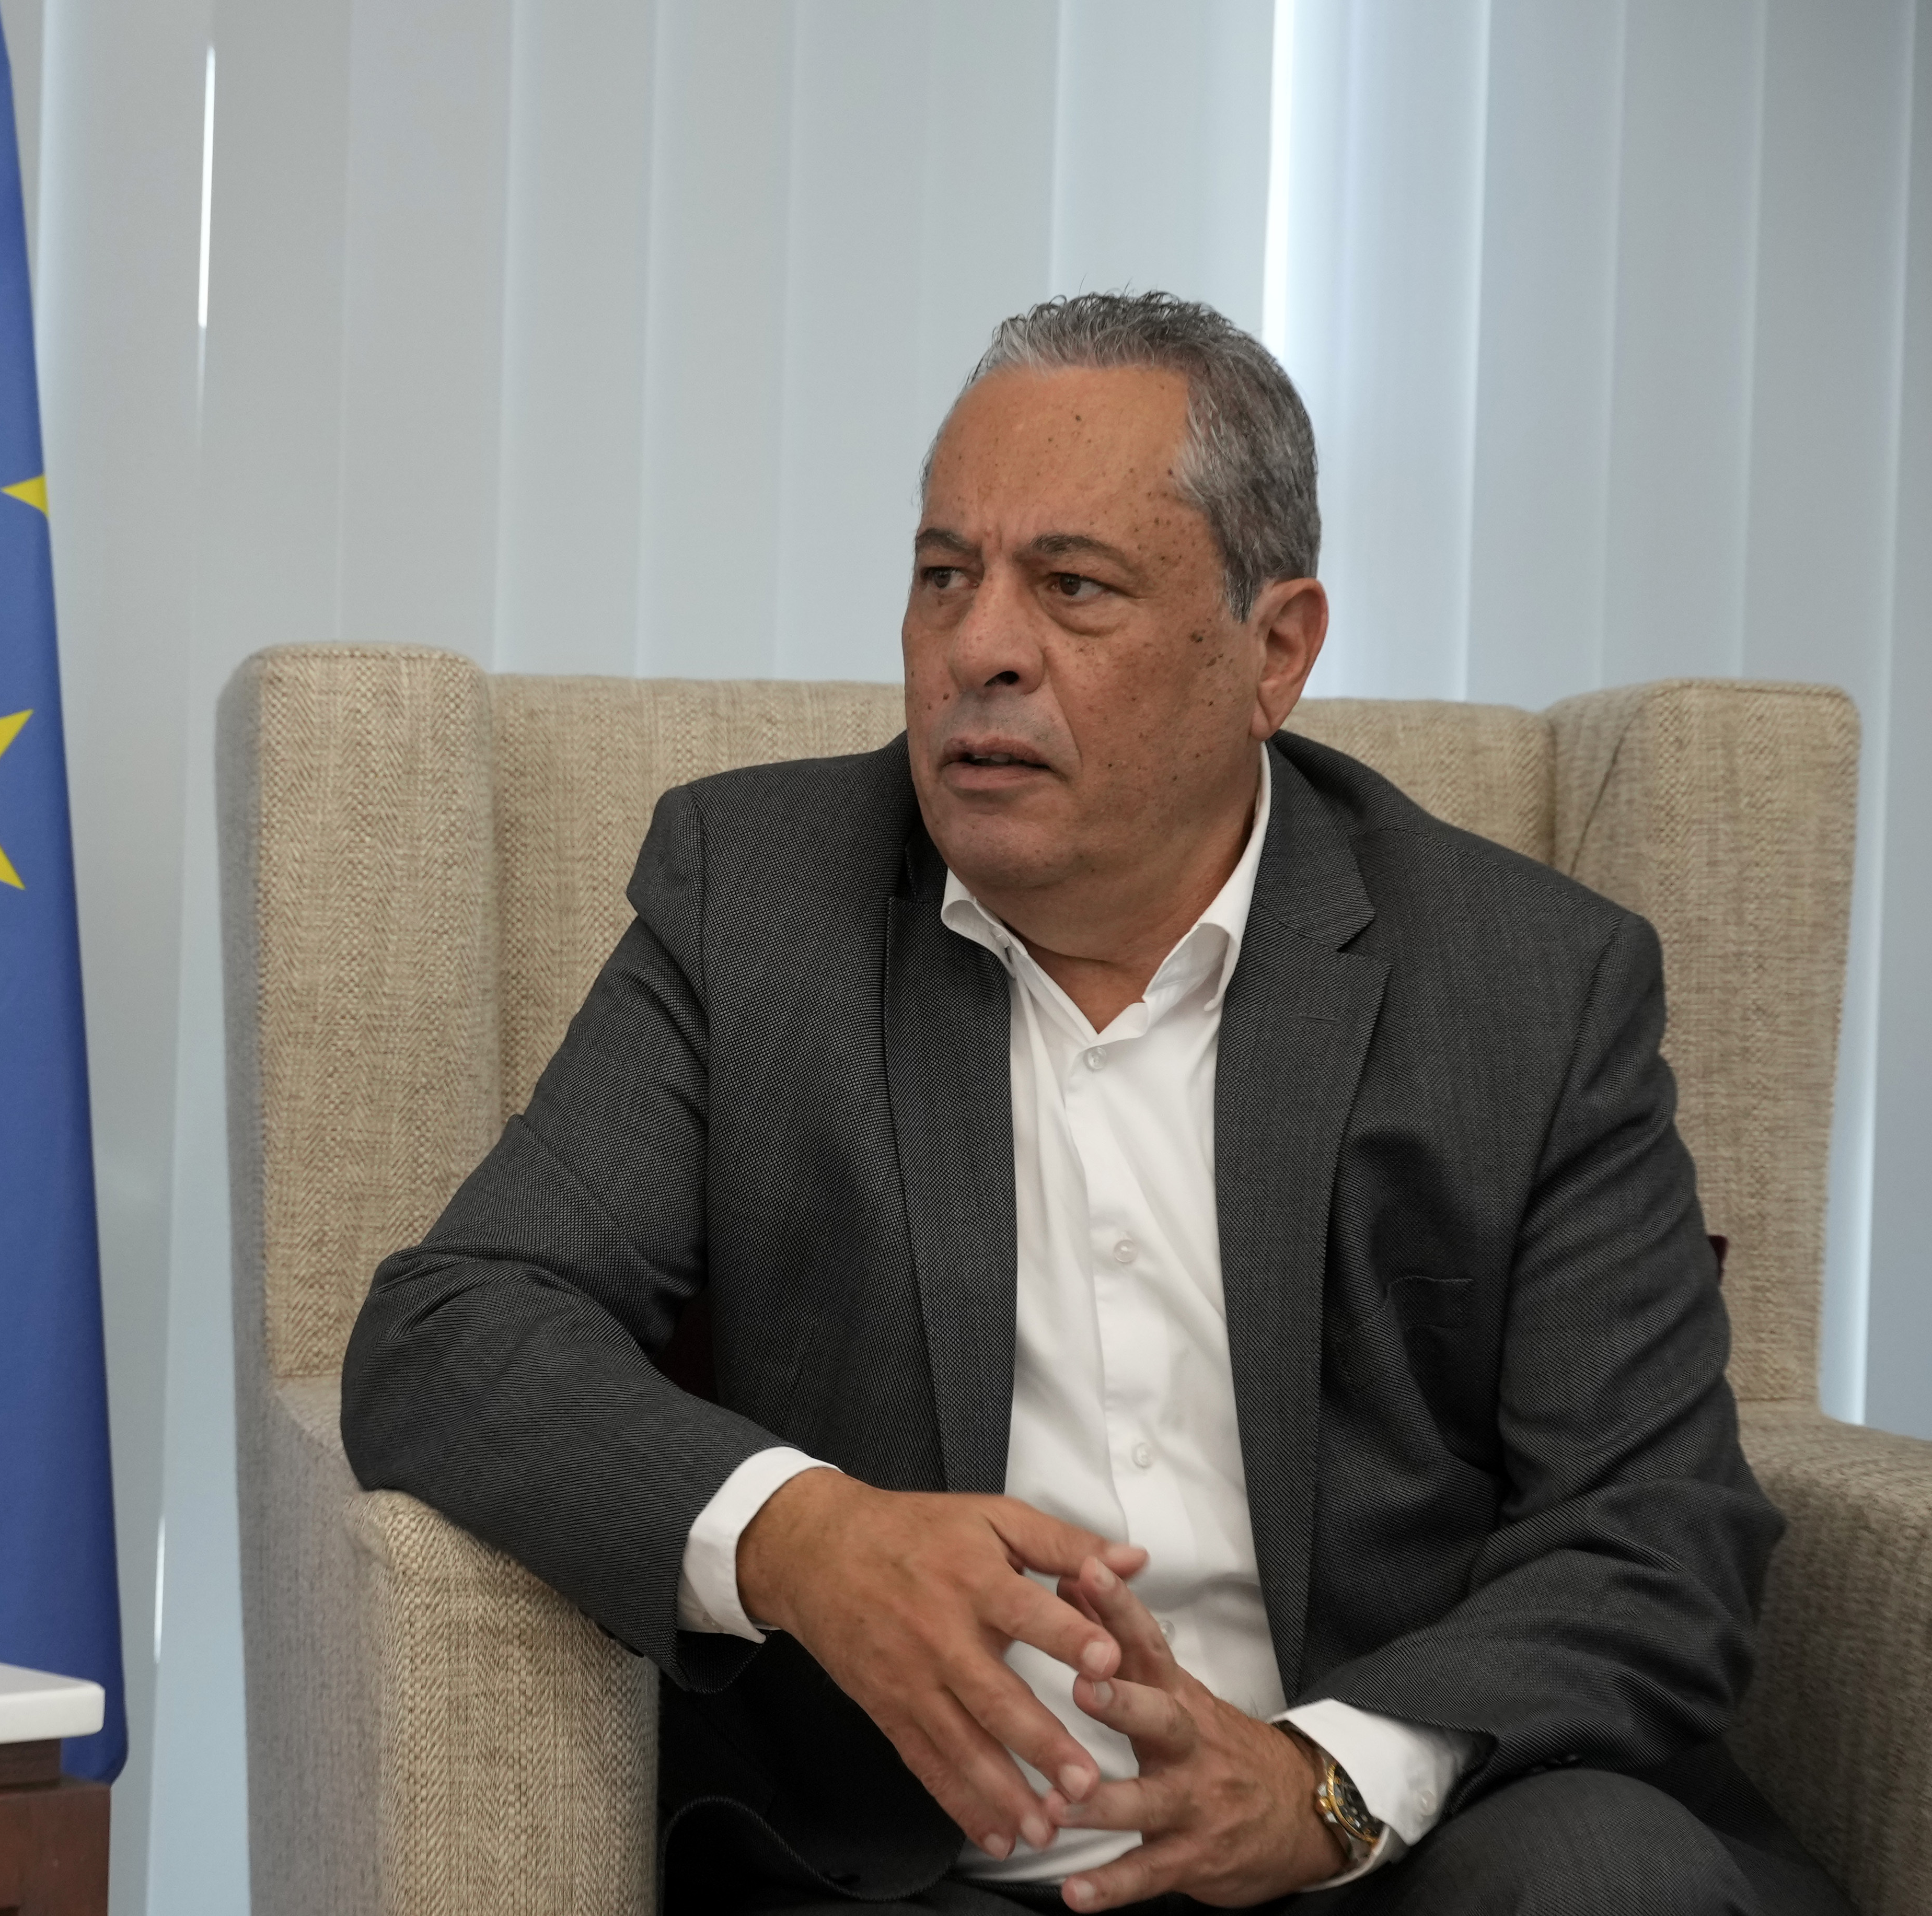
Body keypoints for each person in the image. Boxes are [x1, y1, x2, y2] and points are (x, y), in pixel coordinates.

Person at [341, 292, 1850, 1915]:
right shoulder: (754, 902)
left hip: (1402, 1845)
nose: (981, 646)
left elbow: (1653, 1533)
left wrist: (1325, 1781)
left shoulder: (1526, 984)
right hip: (925, 1865)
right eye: (943, 576)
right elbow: (455, 1325)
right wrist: (806, 1535)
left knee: (1608, 1884)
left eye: (1070, 586)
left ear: (1273, 650)